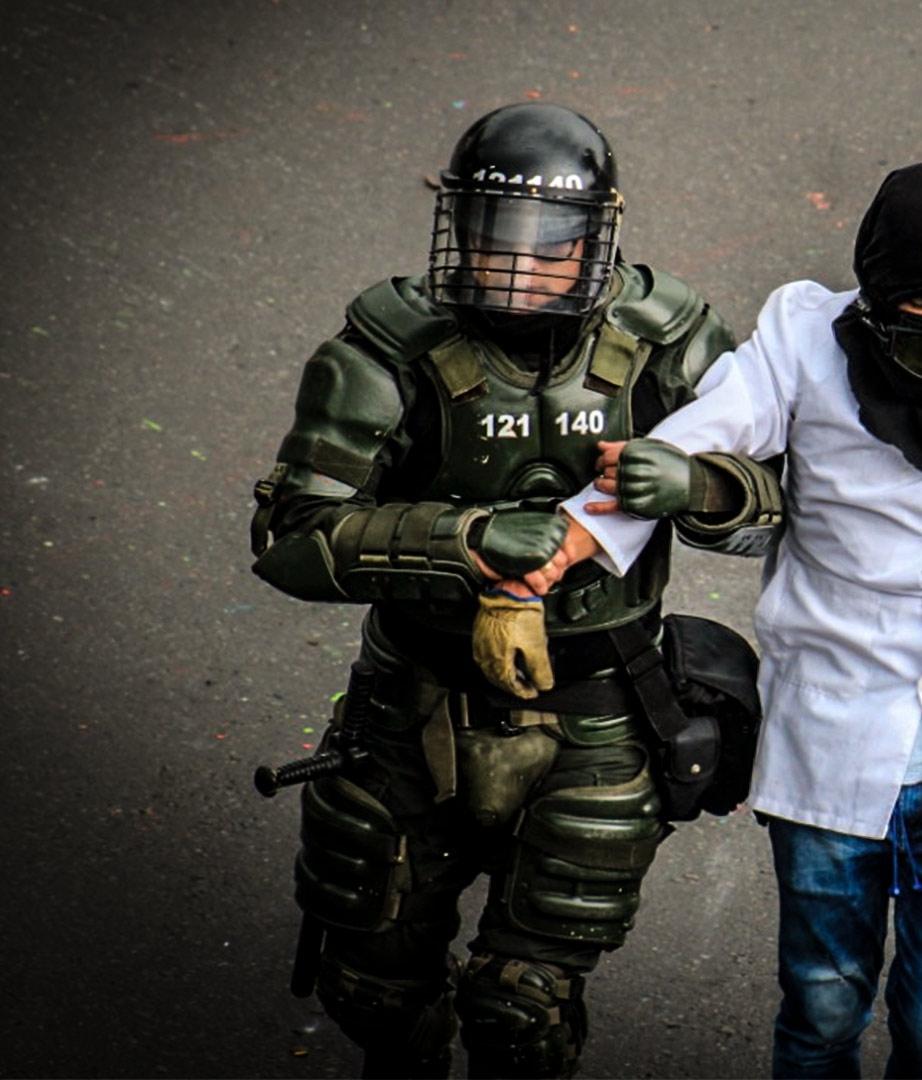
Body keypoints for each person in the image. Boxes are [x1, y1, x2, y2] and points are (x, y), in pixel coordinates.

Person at [540, 160, 922, 1079]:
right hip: (830, 726)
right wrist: (563, 546)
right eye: (920, 305)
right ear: (875, 290)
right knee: (822, 1010)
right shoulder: (802, 340)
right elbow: (702, 433)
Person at [247, 102, 780, 1078]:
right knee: (372, 991)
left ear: (595, 241)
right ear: (459, 229)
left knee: (521, 1010)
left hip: (598, 708)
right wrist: (468, 540)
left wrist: (702, 486)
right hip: (413, 702)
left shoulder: (666, 339)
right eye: (497, 241)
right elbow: (290, 537)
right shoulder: (390, 349)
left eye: (551, 245)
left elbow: (781, 507)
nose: (519, 269)